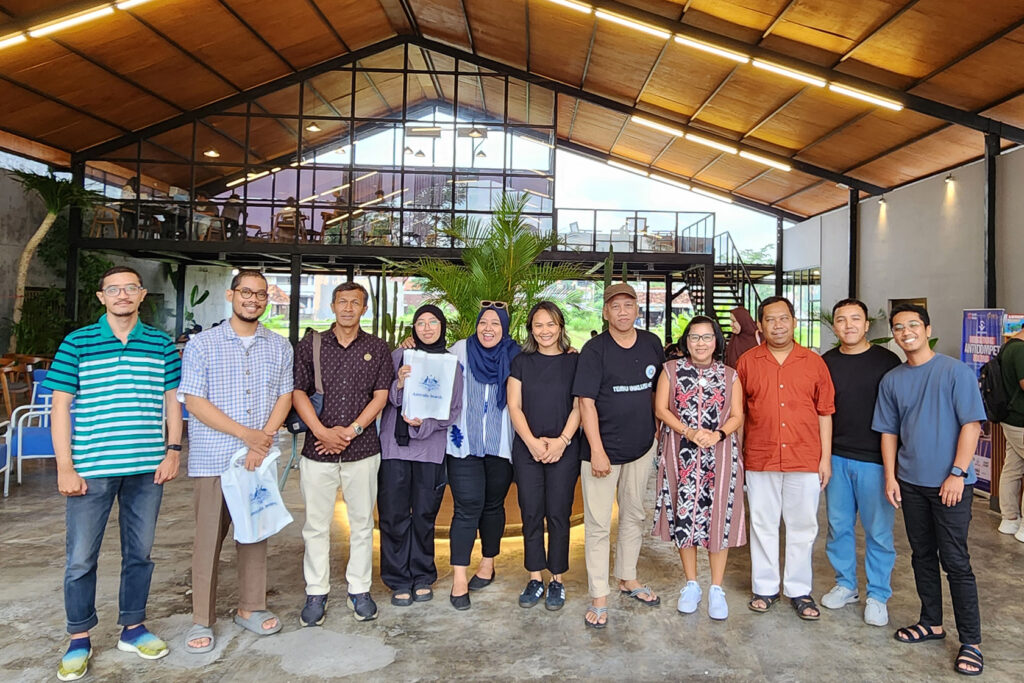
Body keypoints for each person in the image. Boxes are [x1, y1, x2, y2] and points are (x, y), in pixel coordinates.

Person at [44, 266, 183, 681]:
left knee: (139, 555)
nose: (123, 295)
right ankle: (79, 637)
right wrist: (65, 466)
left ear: (142, 296)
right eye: (114, 289)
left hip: (146, 469)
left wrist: (173, 450)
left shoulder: (160, 344)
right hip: (91, 470)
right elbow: (61, 408)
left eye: (130, 288)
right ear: (102, 296)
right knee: (81, 559)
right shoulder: (77, 343)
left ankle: (133, 627)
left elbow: (173, 402)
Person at [178, 270, 294, 653]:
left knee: (255, 534)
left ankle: (251, 607)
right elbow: (193, 401)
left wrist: (260, 444)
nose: (254, 299)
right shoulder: (202, 345)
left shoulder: (279, 346)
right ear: (231, 295)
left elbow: (285, 396)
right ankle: (201, 619)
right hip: (214, 457)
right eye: (247, 292)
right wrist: (247, 435)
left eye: (261, 295)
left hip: (256, 462)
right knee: (208, 539)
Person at [873, 303, 986, 676]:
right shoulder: (893, 380)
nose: (906, 332)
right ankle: (932, 623)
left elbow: (972, 425)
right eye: (899, 327)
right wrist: (891, 477)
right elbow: (889, 432)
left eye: (912, 325)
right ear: (894, 334)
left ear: (927, 328)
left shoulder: (954, 371)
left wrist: (957, 472)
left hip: (950, 485)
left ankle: (971, 640)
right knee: (921, 555)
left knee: (955, 561)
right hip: (910, 482)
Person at [292, 282, 393, 625]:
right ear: (332, 306)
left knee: (363, 524)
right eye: (342, 302)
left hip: (362, 450)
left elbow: (380, 397)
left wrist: (351, 432)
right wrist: (321, 431)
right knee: (316, 526)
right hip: (317, 450)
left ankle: (359, 590)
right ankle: (316, 592)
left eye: (356, 303)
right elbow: (298, 392)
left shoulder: (378, 348)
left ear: (365, 309)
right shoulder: (311, 345)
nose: (348, 308)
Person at [573, 283, 666, 629]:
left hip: (642, 447)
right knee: (598, 525)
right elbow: (586, 402)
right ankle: (600, 592)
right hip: (602, 451)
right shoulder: (595, 350)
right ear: (605, 312)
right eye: (616, 306)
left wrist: (656, 429)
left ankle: (627, 577)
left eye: (629, 305)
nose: (623, 312)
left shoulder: (651, 343)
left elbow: (659, 389)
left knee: (634, 515)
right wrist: (597, 449)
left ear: (637, 309)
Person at [735, 296, 834, 621]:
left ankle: (798, 589)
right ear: (760, 326)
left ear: (793, 322)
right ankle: (765, 587)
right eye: (770, 320)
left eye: (783, 319)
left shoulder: (813, 362)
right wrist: (739, 458)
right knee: (762, 524)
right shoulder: (748, 362)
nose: (778, 325)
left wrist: (825, 459)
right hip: (760, 457)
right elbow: (740, 414)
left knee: (803, 526)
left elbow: (825, 412)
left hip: (805, 457)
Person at [653, 315, 745, 620]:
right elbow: (661, 409)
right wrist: (689, 431)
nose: (701, 343)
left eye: (707, 337)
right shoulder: (671, 370)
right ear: (686, 341)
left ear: (716, 341)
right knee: (686, 517)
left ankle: (716, 588)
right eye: (694, 337)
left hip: (719, 454)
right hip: (681, 453)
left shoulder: (730, 375)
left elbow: (737, 415)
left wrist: (717, 434)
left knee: (716, 516)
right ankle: (691, 583)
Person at [820, 299, 901, 627]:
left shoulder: (888, 362)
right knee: (838, 527)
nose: (849, 325)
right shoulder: (826, 362)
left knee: (879, 532)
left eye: (856, 319)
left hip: (875, 460)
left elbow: (898, 414)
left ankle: (878, 595)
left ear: (867, 325)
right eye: (842, 319)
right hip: (836, 457)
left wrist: (894, 468)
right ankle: (846, 584)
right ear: (835, 326)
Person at [378, 305, 463, 607]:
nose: (427, 328)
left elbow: (453, 409)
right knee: (394, 513)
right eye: (421, 323)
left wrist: (425, 424)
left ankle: (423, 574)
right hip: (395, 446)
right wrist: (399, 384)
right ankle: (398, 578)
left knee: (425, 514)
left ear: (442, 327)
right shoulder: (399, 356)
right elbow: (385, 397)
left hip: (430, 447)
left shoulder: (452, 364)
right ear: (413, 328)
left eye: (433, 322)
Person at [507, 301, 582, 611]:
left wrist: (562, 441)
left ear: (560, 327)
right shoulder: (521, 362)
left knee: (559, 514)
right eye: (538, 325)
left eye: (550, 324)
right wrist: (533, 443)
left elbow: (580, 405)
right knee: (531, 513)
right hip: (528, 450)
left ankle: (557, 580)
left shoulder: (574, 361)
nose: (545, 331)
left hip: (564, 450)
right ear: (531, 330)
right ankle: (535, 576)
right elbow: (514, 406)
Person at [445, 303, 520, 610]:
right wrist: (408, 345)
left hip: (501, 445)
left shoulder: (515, 356)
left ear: (504, 328)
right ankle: (459, 578)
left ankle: (487, 563)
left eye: (495, 324)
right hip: (463, 444)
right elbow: (430, 364)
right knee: (466, 507)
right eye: (483, 322)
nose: (488, 328)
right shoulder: (460, 350)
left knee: (492, 505)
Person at [996, 326, 1024, 540]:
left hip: (1010, 419)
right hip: (1021, 420)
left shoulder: (1008, 346)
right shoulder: (1020, 350)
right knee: (1012, 468)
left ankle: (1010, 520)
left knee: (1013, 467)